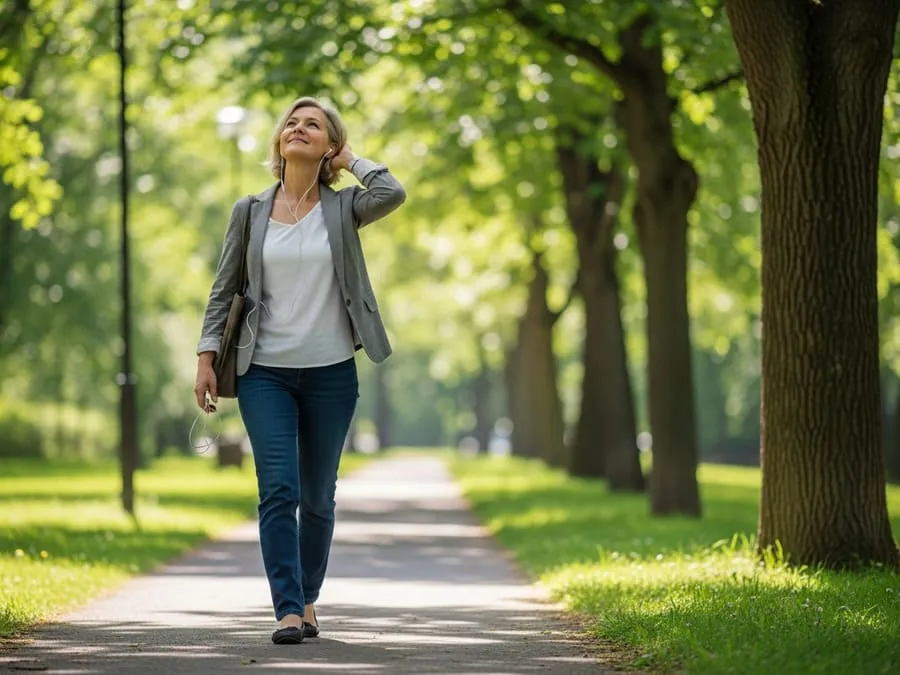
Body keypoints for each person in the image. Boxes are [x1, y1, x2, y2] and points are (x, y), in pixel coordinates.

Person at [194, 96, 406, 645]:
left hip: (331, 373)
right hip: (265, 371)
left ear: (329, 145)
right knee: (277, 490)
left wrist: (351, 159)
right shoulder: (250, 210)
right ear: (278, 141)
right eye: (292, 121)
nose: (298, 127)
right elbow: (223, 290)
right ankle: (287, 609)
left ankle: (309, 599)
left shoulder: (343, 208)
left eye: (313, 124)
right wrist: (206, 357)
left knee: (317, 497)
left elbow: (392, 193)